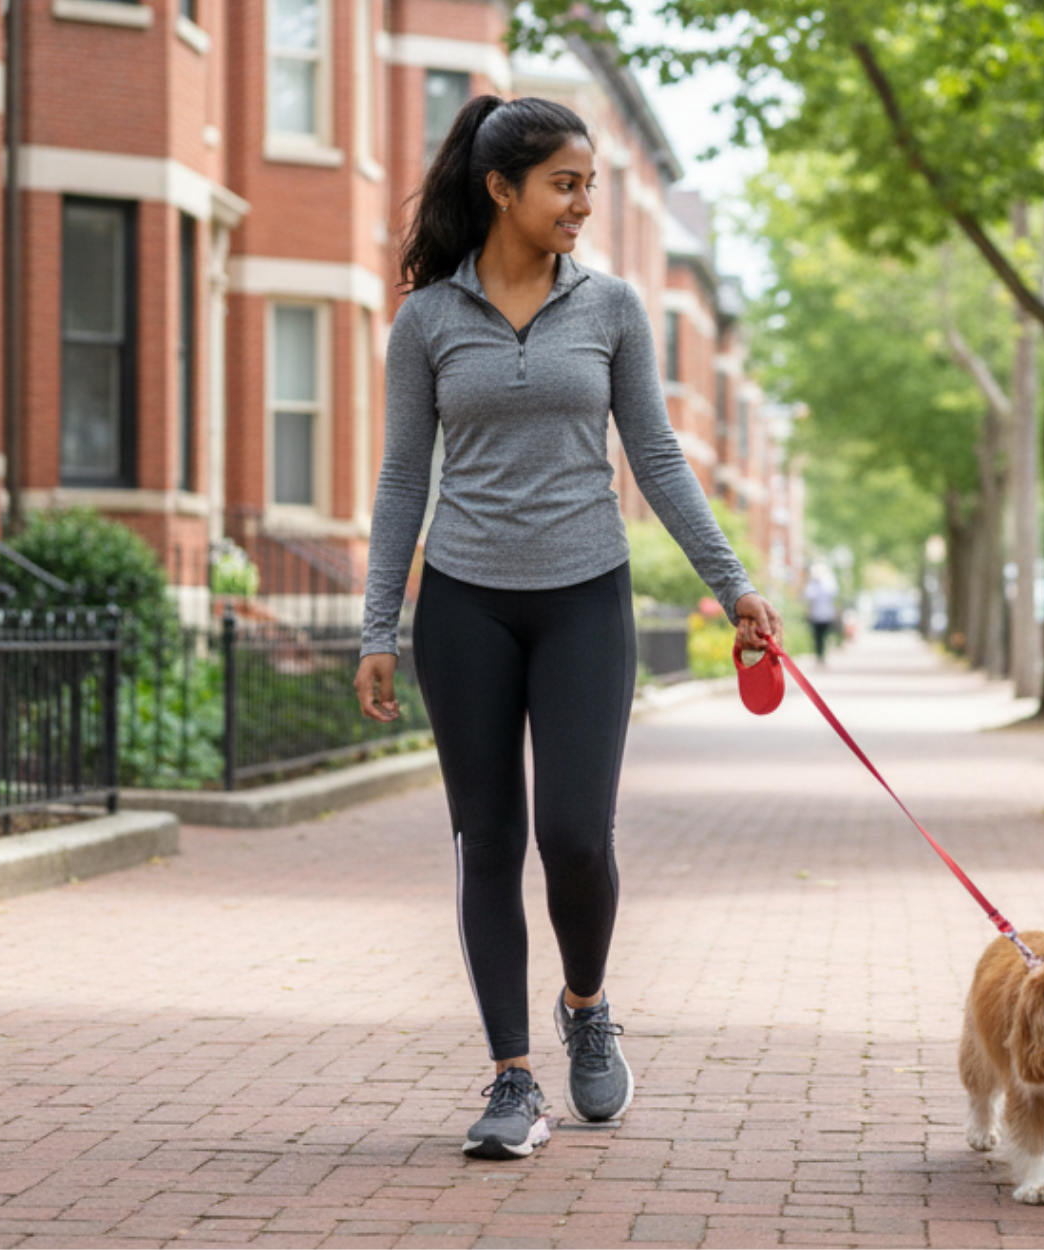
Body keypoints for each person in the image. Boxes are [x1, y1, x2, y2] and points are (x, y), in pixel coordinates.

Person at [353, 94, 782, 1161]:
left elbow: (657, 454)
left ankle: (586, 1004)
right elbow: (405, 473)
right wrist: (376, 627)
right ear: (501, 189)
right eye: (564, 184)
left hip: (585, 594)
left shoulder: (613, 308)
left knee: (576, 837)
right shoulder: (427, 322)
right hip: (464, 602)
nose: (583, 204)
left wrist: (731, 583)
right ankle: (509, 1077)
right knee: (486, 839)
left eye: (589, 183)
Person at [804, 563, 840, 664]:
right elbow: (809, 599)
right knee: (817, 636)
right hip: (816, 615)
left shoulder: (828, 583)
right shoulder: (812, 584)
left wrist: (835, 611)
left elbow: (833, 597)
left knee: (824, 635)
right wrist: (808, 612)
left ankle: (822, 654)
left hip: (826, 614)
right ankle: (819, 655)